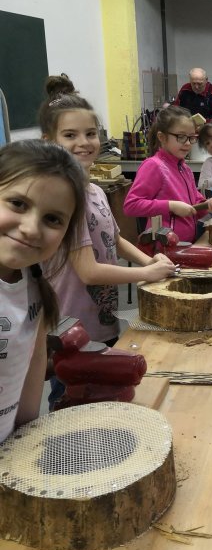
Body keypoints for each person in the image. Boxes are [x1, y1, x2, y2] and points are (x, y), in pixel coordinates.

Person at [39, 75, 177, 348]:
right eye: (70, 135)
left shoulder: (96, 191)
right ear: (48, 141)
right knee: (72, 388)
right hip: (71, 328)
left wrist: (148, 262)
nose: (84, 142)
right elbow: (89, 272)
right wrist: (145, 275)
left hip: (101, 320)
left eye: (90, 133)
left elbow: (115, 239)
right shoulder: (65, 198)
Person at [0, 140, 86, 442]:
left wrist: (22, 448)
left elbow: (31, 373)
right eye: (18, 204)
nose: (31, 228)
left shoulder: (34, 288)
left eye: (52, 219)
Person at [123, 106, 212, 243]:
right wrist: (170, 206)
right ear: (162, 137)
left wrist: (207, 205)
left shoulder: (185, 168)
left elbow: (194, 204)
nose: (188, 143)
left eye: (191, 137)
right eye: (181, 137)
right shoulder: (154, 166)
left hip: (184, 245)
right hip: (163, 248)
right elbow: (131, 206)